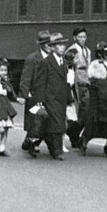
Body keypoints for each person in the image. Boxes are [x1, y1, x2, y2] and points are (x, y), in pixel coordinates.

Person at [27, 32, 71, 161]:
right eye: (59, 45)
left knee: (50, 126)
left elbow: (66, 82)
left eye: (63, 45)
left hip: (60, 99)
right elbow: (40, 83)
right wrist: (40, 100)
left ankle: (30, 142)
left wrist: (69, 99)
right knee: (55, 125)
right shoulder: (46, 62)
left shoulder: (63, 62)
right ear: (53, 47)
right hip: (50, 98)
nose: (63, 47)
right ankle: (55, 151)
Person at [19, 30, 52, 154]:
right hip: (34, 94)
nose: (50, 47)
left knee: (44, 120)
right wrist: (24, 94)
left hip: (48, 95)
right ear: (41, 45)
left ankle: (31, 141)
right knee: (35, 121)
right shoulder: (32, 59)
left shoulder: (52, 58)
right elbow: (25, 78)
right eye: (48, 44)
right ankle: (31, 144)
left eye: (51, 44)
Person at [66, 27, 92, 149]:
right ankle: (74, 136)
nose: (82, 39)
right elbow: (68, 69)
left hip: (86, 83)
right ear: (74, 38)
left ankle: (73, 133)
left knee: (86, 111)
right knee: (75, 113)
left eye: (84, 37)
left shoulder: (88, 51)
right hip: (75, 84)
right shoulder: (71, 50)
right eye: (80, 37)